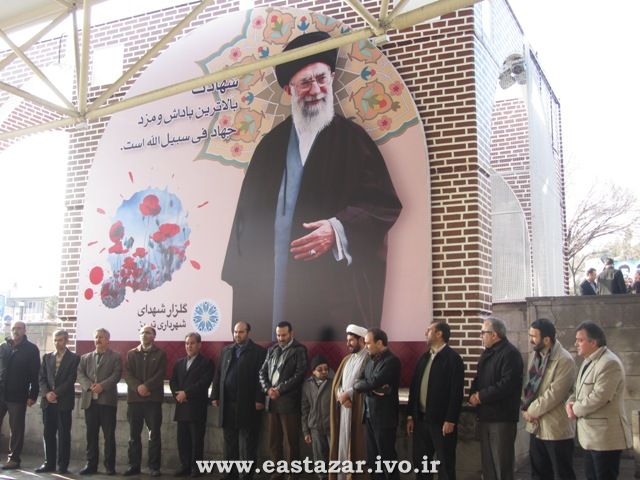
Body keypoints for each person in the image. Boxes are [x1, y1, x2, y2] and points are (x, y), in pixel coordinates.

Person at [222, 30, 402, 341]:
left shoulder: (353, 140)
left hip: (329, 291)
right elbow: (245, 218)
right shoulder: (269, 146)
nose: (316, 89)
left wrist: (337, 229)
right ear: (288, 90)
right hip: (271, 282)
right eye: (305, 82)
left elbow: (383, 204)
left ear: (332, 78)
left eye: (321, 79)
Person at [566, 321, 632, 479]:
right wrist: (569, 402)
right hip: (590, 437)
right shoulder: (588, 360)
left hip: (605, 439)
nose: (576, 344)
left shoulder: (609, 363)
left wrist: (575, 409)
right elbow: (578, 389)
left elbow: (600, 397)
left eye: (580, 340)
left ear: (593, 342)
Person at [406, 321, 464, 480]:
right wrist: (410, 415)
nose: (425, 333)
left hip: (442, 423)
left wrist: (451, 419)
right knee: (421, 464)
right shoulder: (423, 358)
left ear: (439, 334)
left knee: (445, 465)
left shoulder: (453, 359)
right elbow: (414, 388)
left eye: (429, 330)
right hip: (421, 421)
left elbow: (456, 393)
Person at [469, 317, 524, 480]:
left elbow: (507, 384)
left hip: (502, 418)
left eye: (483, 332)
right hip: (485, 415)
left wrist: (481, 396)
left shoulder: (510, 354)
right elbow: (479, 378)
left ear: (494, 335)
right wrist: (472, 394)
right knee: (488, 466)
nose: (481, 336)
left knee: (502, 465)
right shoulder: (487, 353)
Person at [521, 318, 576, 480]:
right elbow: (528, 385)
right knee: (539, 473)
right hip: (536, 426)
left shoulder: (565, 360)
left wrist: (530, 410)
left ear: (546, 339)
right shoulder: (536, 355)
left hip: (556, 429)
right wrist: (525, 407)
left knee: (562, 474)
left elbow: (554, 394)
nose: (531, 340)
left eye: (534, 336)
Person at [211, 322, 266, 480]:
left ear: (248, 332)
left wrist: (259, 398)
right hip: (228, 404)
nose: (237, 335)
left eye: (241, 332)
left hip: (248, 404)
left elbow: (262, 378)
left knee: (248, 442)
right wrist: (215, 395)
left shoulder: (258, 352)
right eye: (235, 332)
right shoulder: (226, 350)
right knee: (229, 442)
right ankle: (230, 474)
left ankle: (247, 475)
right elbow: (219, 374)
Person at [258, 321, 307, 479]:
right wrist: (267, 389)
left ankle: (293, 473)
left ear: (291, 334)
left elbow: (299, 375)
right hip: (272, 401)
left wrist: (279, 390)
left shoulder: (299, 350)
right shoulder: (272, 349)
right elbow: (262, 372)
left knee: (291, 441)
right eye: (278, 335)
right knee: (274, 440)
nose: (280, 338)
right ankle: (277, 471)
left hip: (289, 402)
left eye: (284, 335)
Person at [354, 328, 401, 480]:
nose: (365, 346)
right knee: (373, 460)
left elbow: (373, 382)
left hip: (384, 419)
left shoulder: (392, 361)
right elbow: (358, 381)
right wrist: (371, 387)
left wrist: (369, 385)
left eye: (368, 343)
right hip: (368, 417)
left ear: (379, 343)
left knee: (387, 459)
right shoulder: (369, 360)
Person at [123, 325, 167, 477]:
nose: (144, 335)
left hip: (152, 400)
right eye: (142, 332)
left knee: (154, 434)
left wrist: (147, 386)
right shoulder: (131, 353)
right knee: (133, 435)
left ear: (154, 336)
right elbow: (127, 374)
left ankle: (154, 467)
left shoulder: (160, 354)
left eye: (148, 333)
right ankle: (133, 466)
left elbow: (161, 373)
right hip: (134, 400)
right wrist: (138, 387)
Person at [77, 328, 122, 475]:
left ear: (108, 340)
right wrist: (89, 386)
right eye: (96, 337)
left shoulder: (115, 357)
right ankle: (91, 465)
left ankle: (109, 466)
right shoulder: (85, 358)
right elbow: (80, 374)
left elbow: (116, 375)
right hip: (90, 402)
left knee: (109, 436)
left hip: (107, 402)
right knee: (91, 435)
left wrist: (102, 386)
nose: (98, 340)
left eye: (101, 337)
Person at [170, 332, 215, 477]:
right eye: (187, 343)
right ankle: (185, 466)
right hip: (181, 406)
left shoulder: (206, 363)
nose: (189, 346)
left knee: (196, 440)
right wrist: (178, 395)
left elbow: (203, 383)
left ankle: (196, 468)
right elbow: (173, 381)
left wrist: (186, 393)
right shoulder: (179, 362)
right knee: (182, 439)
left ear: (199, 345)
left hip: (196, 407)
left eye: (192, 343)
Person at [36, 329, 80, 474]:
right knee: (48, 434)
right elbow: (41, 378)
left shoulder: (74, 358)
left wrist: (56, 393)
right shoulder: (47, 357)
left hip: (63, 402)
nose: (57, 343)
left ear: (66, 341)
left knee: (64, 435)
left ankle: (62, 465)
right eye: (55, 340)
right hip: (48, 403)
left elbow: (71, 380)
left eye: (60, 340)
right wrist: (47, 393)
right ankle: (49, 463)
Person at [329, 324, 369, 480]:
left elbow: (367, 383)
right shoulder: (347, 359)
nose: (348, 344)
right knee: (342, 447)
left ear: (362, 340)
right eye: (347, 340)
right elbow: (337, 383)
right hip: (344, 410)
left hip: (358, 412)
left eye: (351, 340)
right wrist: (341, 396)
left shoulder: (368, 359)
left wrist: (348, 394)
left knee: (357, 448)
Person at [0, 320, 41, 470]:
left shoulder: (31, 349)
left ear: (25, 331)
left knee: (16, 428)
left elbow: (35, 374)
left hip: (18, 395)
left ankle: (14, 459)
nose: (15, 331)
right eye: (13, 328)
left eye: (19, 328)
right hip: (1, 392)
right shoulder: (3, 347)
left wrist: (33, 395)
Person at [302, 355, 334, 480]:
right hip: (315, 427)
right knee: (319, 457)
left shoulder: (334, 382)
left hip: (331, 426)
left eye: (326, 369)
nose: (324, 371)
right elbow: (305, 409)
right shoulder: (307, 385)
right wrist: (306, 431)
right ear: (313, 371)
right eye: (320, 369)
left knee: (334, 456)